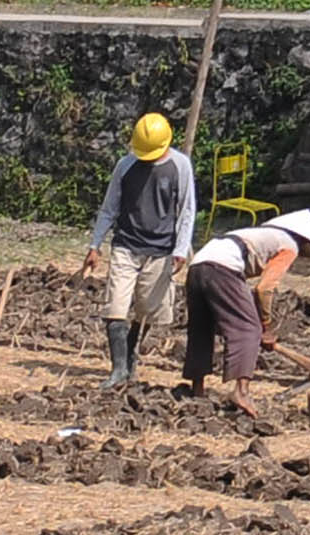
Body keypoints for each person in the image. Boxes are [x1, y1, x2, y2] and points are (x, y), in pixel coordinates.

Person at [76, 111, 196, 387]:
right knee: (115, 305)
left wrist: (181, 248)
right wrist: (95, 245)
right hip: (126, 246)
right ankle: (118, 369)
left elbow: (187, 211)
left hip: (161, 249)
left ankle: (131, 353)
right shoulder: (125, 166)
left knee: (147, 309)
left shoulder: (180, 166)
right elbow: (109, 207)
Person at [181, 208, 310, 417]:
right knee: (248, 330)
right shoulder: (289, 246)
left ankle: (197, 388)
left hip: (197, 266)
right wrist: (264, 326)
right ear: (303, 241)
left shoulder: (260, 234)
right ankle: (241, 392)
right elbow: (264, 288)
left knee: (201, 328)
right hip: (223, 268)